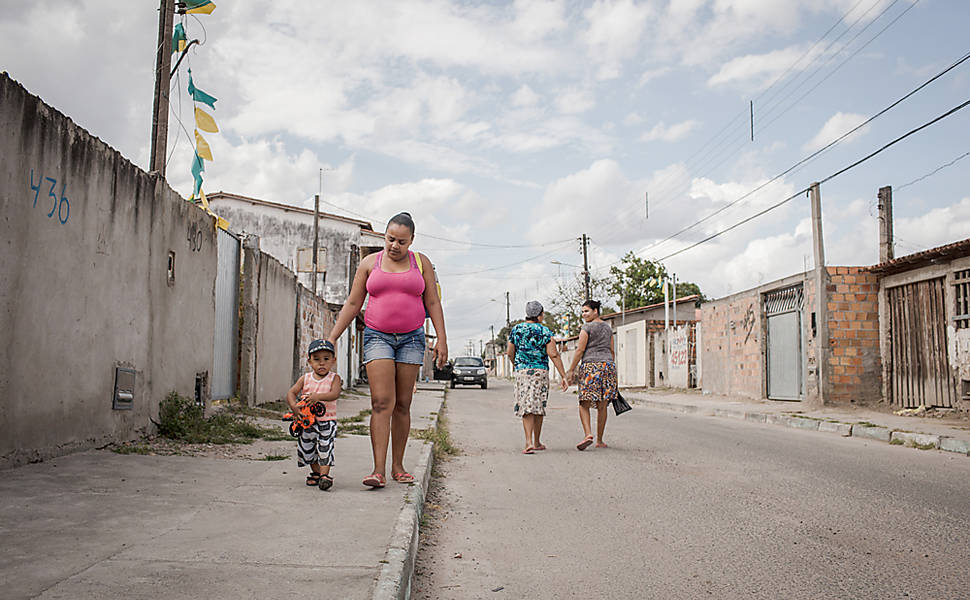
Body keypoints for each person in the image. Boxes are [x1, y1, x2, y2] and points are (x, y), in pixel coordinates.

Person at [326, 212, 447, 488]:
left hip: (412, 339)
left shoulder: (421, 263)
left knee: (403, 404)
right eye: (390, 239)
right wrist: (332, 337)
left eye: (401, 241)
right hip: (377, 337)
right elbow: (353, 303)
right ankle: (377, 470)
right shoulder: (370, 263)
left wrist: (442, 339)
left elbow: (433, 303)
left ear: (411, 241)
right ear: (385, 236)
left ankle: (398, 466)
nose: (394, 246)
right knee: (382, 402)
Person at [506, 301, 568, 454]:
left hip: (522, 372)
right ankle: (537, 442)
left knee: (527, 404)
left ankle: (528, 442)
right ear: (540, 315)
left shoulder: (516, 330)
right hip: (540, 372)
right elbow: (553, 354)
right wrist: (564, 376)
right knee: (538, 405)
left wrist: (517, 365)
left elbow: (509, 352)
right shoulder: (545, 332)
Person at [285, 339, 343, 491]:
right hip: (307, 422)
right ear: (309, 361)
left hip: (327, 421)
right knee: (307, 448)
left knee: (325, 447)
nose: (321, 363)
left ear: (333, 360)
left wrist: (319, 397)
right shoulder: (306, 379)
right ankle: (316, 472)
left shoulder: (334, 378)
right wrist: (294, 407)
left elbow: (335, 394)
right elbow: (291, 392)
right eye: (317, 359)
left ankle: (325, 476)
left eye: (326, 359)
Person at [566, 299, 617, 450]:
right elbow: (612, 350)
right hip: (608, 366)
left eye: (586, 311)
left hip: (590, 367)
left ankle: (588, 434)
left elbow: (580, 350)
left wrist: (571, 370)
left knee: (584, 403)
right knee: (603, 405)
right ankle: (600, 440)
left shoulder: (586, 327)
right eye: (582, 312)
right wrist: (609, 366)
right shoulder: (608, 329)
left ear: (596, 311)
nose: (584, 314)